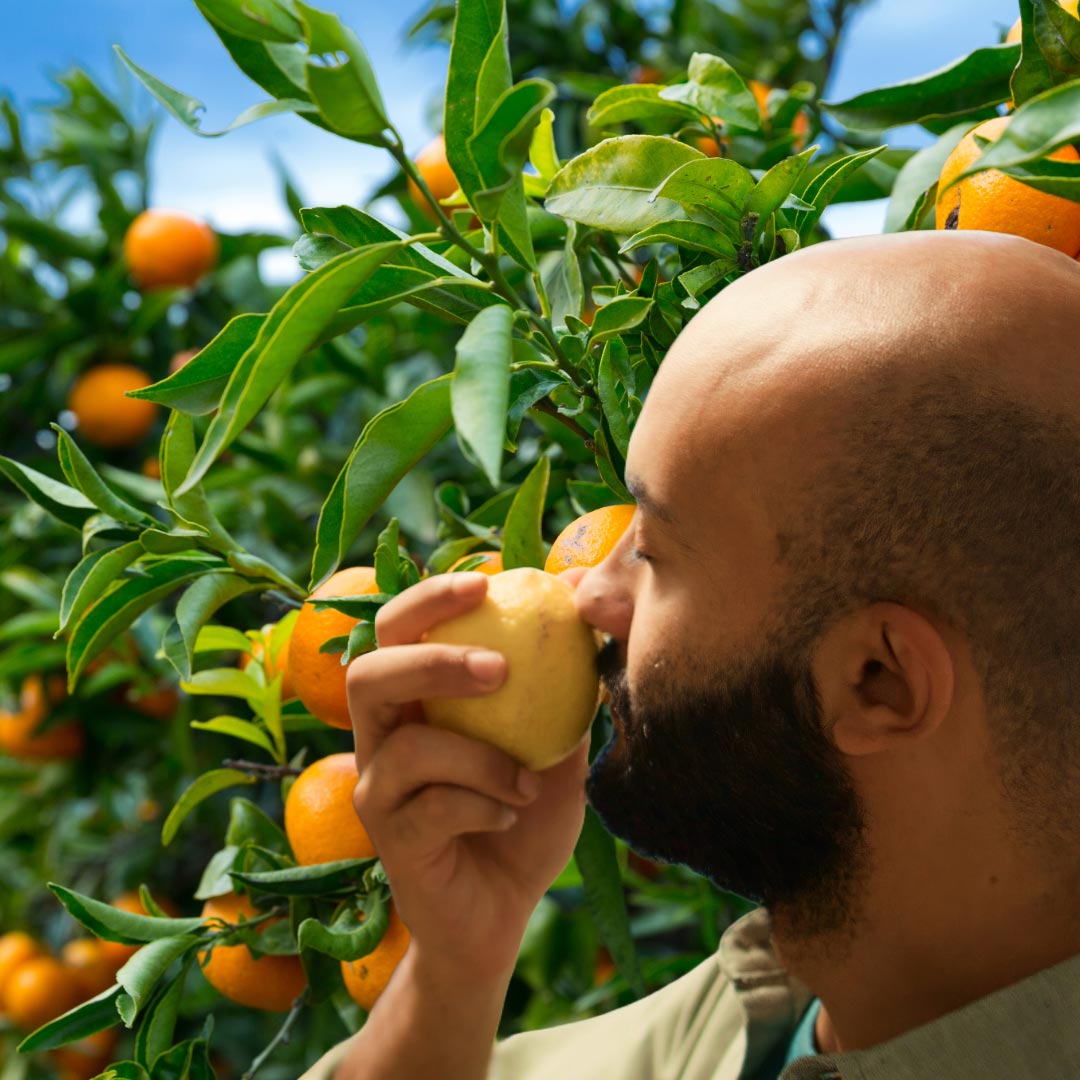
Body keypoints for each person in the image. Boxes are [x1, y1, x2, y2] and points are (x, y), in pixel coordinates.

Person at [300, 231, 1080, 1080]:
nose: (590, 590)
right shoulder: (772, 1002)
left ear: (877, 681)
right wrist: (459, 959)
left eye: (656, 550)